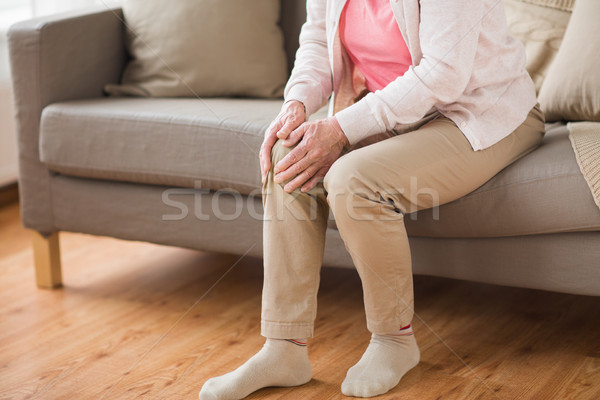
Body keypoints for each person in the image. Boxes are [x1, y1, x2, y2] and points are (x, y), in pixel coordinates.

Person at [199, 0, 544, 398]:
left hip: (477, 112)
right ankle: (284, 348)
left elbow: (444, 73)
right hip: (396, 112)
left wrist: (342, 129)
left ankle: (394, 341)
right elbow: (316, 39)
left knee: (354, 179)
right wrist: (296, 105)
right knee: (287, 157)